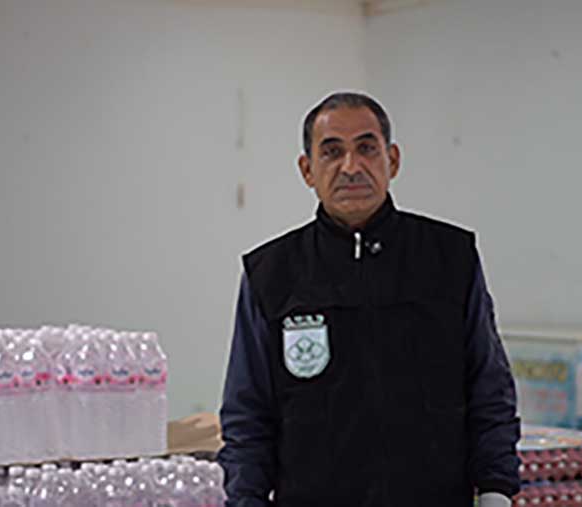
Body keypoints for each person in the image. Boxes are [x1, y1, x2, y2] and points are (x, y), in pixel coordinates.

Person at [219, 92, 520, 507]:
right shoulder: (271, 273)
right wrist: (245, 500)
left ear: (392, 160)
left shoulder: (450, 257)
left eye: (366, 148)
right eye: (332, 152)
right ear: (307, 170)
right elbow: (248, 415)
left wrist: (496, 490)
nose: (351, 167)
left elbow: (489, 388)